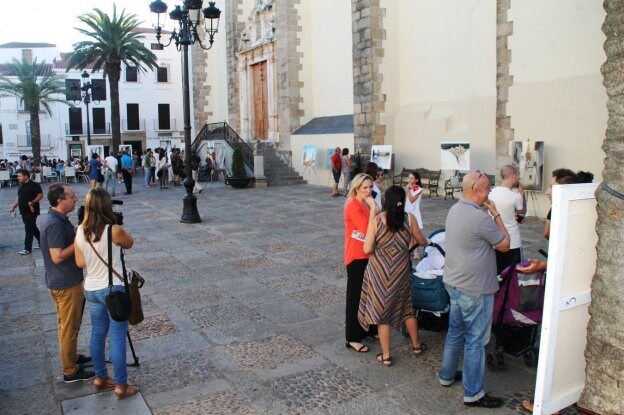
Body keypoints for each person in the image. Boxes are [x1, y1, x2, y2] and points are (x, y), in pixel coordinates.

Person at [438, 171, 510, 408]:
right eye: (488, 187)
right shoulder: (481, 218)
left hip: (454, 283)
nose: (490, 190)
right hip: (474, 289)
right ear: (475, 190)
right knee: (475, 341)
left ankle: (446, 376)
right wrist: (496, 213)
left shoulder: (455, 209)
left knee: (455, 331)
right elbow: (505, 244)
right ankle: (474, 393)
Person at [74, 188, 138, 399]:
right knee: (117, 337)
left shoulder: (80, 230)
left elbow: (80, 262)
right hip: (113, 289)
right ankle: (121, 385)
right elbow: (130, 243)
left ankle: (100, 377)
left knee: (97, 333)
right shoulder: (114, 230)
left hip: (91, 288)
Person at [358, 185, 429, 366]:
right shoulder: (409, 219)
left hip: (379, 271)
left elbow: (367, 248)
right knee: (406, 307)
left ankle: (387, 355)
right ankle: (416, 345)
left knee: (383, 313)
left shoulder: (376, 221)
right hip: (401, 270)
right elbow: (421, 241)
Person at [39, 184, 94, 383]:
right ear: (60, 200)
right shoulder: (53, 223)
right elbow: (57, 256)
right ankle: (70, 370)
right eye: (71, 196)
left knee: (69, 325)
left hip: (64, 279)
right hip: (65, 281)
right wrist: (80, 241)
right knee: (68, 327)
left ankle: (72, 357)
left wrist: (80, 229)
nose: (75, 198)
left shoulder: (57, 219)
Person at [344, 173, 379, 353]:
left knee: (370, 295)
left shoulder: (366, 203)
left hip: (369, 255)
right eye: (365, 187)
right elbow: (367, 230)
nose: (368, 190)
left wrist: (373, 207)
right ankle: (353, 337)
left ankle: (371, 328)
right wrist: (373, 209)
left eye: (371, 187)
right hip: (357, 256)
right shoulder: (353, 206)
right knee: (356, 297)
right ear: (357, 188)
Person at [489, 165, 526, 273]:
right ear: (513, 176)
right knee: (512, 275)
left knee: (497, 273)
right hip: (512, 241)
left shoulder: (491, 193)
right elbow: (522, 213)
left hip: (495, 240)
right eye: (518, 176)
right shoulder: (515, 196)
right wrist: (522, 195)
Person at [8, 169, 43, 255]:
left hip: (31, 210)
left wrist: (33, 202)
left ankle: (27, 248)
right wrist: (13, 206)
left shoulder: (34, 185)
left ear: (26, 176)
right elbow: (19, 197)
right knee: (32, 227)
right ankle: (42, 242)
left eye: (20, 176)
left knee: (28, 229)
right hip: (23, 210)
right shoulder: (21, 186)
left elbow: (40, 195)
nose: (18, 178)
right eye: (18, 176)